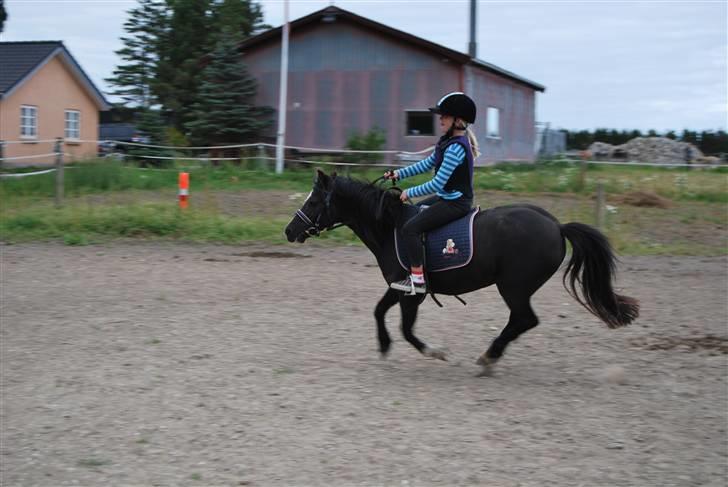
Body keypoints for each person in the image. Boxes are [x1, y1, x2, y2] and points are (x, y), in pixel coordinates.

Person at [384, 92, 481, 295]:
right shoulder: (445, 142)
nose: (440, 119)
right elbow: (426, 164)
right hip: (447, 197)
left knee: (410, 229)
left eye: (445, 115)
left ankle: (418, 280)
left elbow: (437, 183)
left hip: (456, 203)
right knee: (415, 212)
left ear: (459, 120)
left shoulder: (457, 149)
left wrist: (409, 192)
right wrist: (398, 174)